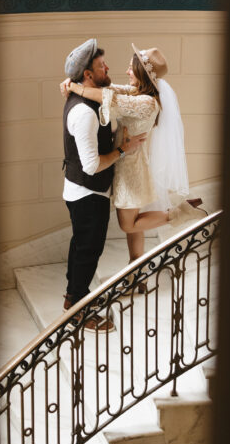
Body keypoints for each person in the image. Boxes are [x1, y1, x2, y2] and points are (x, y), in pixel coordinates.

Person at [61, 45, 197, 279]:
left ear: (142, 74)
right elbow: (109, 88)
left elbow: (107, 98)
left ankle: (180, 213)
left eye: (131, 69)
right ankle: (136, 270)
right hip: (127, 162)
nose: (126, 72)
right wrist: (77, 83)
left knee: (128, 224)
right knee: (134, 224)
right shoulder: (136, 91)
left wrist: (74, 87)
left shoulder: (146, 102)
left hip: (129, 167)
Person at [62, 38, 145, 331]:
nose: (107, 67)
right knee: (89, 249)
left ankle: (74, 296)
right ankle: (78, 311)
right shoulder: (84, 112)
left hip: (85, 191)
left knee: (80, 246)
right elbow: (92, 165)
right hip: (87, 192)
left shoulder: (93, 94)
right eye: (101, 66)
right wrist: (124, 150)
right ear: (87, 74)